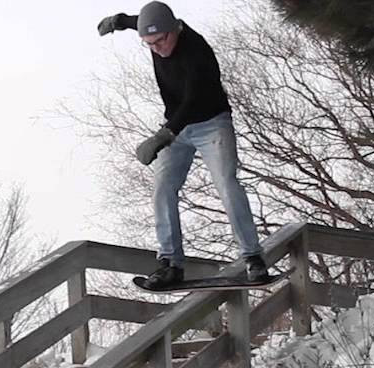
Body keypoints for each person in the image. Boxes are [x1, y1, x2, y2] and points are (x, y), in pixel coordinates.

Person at [98, 2, 269, 289]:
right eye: (149, 44)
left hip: (211, 122)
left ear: (173, 28)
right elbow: (137, 20)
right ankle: (171, 264)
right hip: (176, 125)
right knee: (162, 188)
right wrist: (117, 21)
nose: (158, 48)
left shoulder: (197, 51)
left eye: (161, 40)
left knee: (227, 185)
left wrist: (161, 137)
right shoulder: (154, 29)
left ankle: (253, 258)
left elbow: (192, 101)